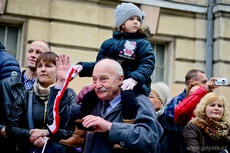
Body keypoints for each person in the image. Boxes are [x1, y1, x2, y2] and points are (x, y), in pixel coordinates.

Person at [48, 55, 163, 153]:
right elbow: (57, 119)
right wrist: (61, 83)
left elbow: (149, 137)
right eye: (94, 80)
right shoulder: (91, 104)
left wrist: (110, 127)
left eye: (103, 79)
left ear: (120, 79)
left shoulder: (139, 102)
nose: (97, 85)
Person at [74, 2, 155, 97]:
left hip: (134, 87)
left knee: (128, 99)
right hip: (110, 86)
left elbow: (147, 64)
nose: (136, 22)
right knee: (88, 98)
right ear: (121, 22)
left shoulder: (143, 44)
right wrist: (82, 67)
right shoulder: (108, 43)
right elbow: (100, 66)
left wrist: (134, 79)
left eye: (138, 19)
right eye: (131, 18)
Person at [5, 52, 76, 153]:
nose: (43, 69)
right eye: (39, 66)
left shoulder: (69, 95)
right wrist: (32, 135)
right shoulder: (25, 95)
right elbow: (10, 129)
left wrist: (47, 134)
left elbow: (75, 132)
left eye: (48, 66)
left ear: (58, 69)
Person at [0, 40, 51, 153]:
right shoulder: (4, 85)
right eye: (30, 51)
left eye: (38, 52)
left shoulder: (51, 91)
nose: (32, 55)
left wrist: (44, 137)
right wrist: (1, 129)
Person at [148, 82, 184, 153]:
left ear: (161, 103)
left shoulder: (174, 128)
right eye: (144, 95)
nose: (146, 99)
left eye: (151, 96)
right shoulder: (134, 120)